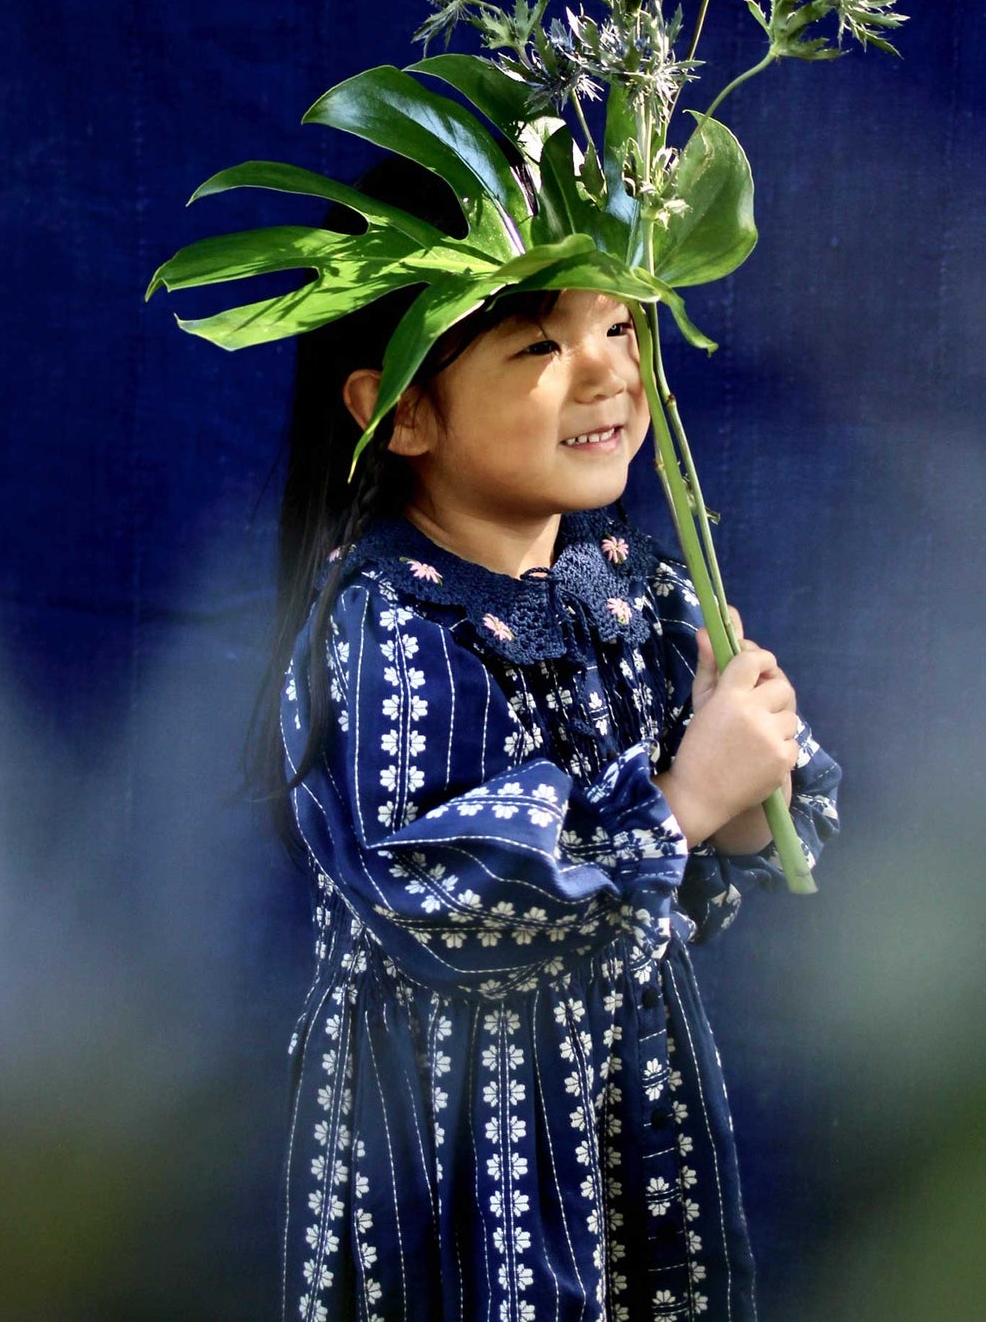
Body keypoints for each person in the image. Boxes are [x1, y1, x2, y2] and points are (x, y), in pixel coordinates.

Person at [261, 156, 841, 1322]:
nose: (606, 373)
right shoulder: (386, 620)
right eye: (538, 347)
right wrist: (676, 806)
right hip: (451, 1129)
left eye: (619, 325)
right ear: (401, 410)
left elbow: (770, 817)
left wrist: (741, 784)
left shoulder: (633, 583)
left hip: (621, 1099)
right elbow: (440, 897)